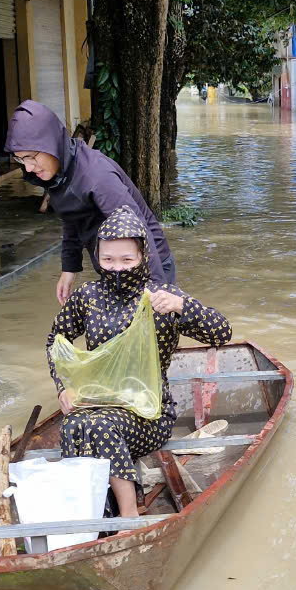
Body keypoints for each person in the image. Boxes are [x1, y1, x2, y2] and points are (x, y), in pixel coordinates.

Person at [46, 206, 231, 527]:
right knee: (72, 426)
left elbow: (221, 332)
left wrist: (182, 307)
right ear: (97, 258)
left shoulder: (162, 297)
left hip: (149, 413)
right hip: (97, 401)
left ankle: (129, 515)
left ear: (143, 256)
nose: (117, 269)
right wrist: (64, 387)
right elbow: (56, 341)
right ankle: (96, 510)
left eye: (126, 260)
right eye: (107, 260)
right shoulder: (88, 296)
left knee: (102, 427)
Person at [4, 100, 177, 304]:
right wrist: (69, 268)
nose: (29, 167)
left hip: (148, 264)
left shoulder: (96, 176)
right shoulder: (60, 172)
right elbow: (72, 216)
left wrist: (156, 290)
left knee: (151, 331)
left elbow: (139, 232)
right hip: (116, 267)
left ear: (51, 144)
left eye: (31, 157)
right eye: (21, 160)